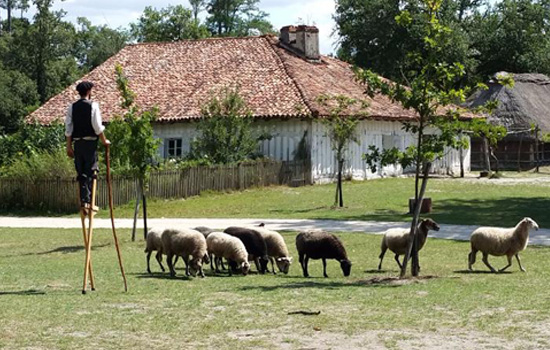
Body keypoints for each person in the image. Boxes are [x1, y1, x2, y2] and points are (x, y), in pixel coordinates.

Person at [65, 81, 110, 212]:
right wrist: (104, 140)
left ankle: (84, 201)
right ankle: (89, 201)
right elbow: (97, 126)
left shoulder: (71, 107)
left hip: (78, 143)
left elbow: (69, 128)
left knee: (81, 172)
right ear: (89, 91)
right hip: (90, 143)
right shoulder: (93, 106)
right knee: (90, 171)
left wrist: (68, 147)